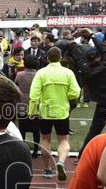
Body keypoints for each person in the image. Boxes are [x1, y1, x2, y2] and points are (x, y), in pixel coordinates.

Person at [29, 46, 80, 181]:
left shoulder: (41, 73)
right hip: (62, 111)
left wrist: (32, 111)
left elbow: (34, 95)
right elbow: (75, 92)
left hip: (45, 111)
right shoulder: (68, 73)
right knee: (63, 140)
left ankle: (47, 169)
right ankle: (61, 162)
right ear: (61, 57)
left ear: (47, 58)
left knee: (45, 139)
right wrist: (66, 96)